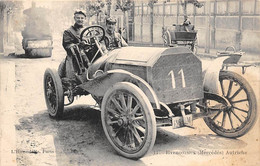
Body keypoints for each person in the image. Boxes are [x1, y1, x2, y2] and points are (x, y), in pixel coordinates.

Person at [58, 10, 89, 80]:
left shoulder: (87, 30)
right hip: (76, 55)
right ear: (74, 19)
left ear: (85, 19)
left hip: (89, 52)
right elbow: (67, 45)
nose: (80, 20)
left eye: (82, 18)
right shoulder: (68, 31)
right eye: (78, 18)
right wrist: (78, 45)